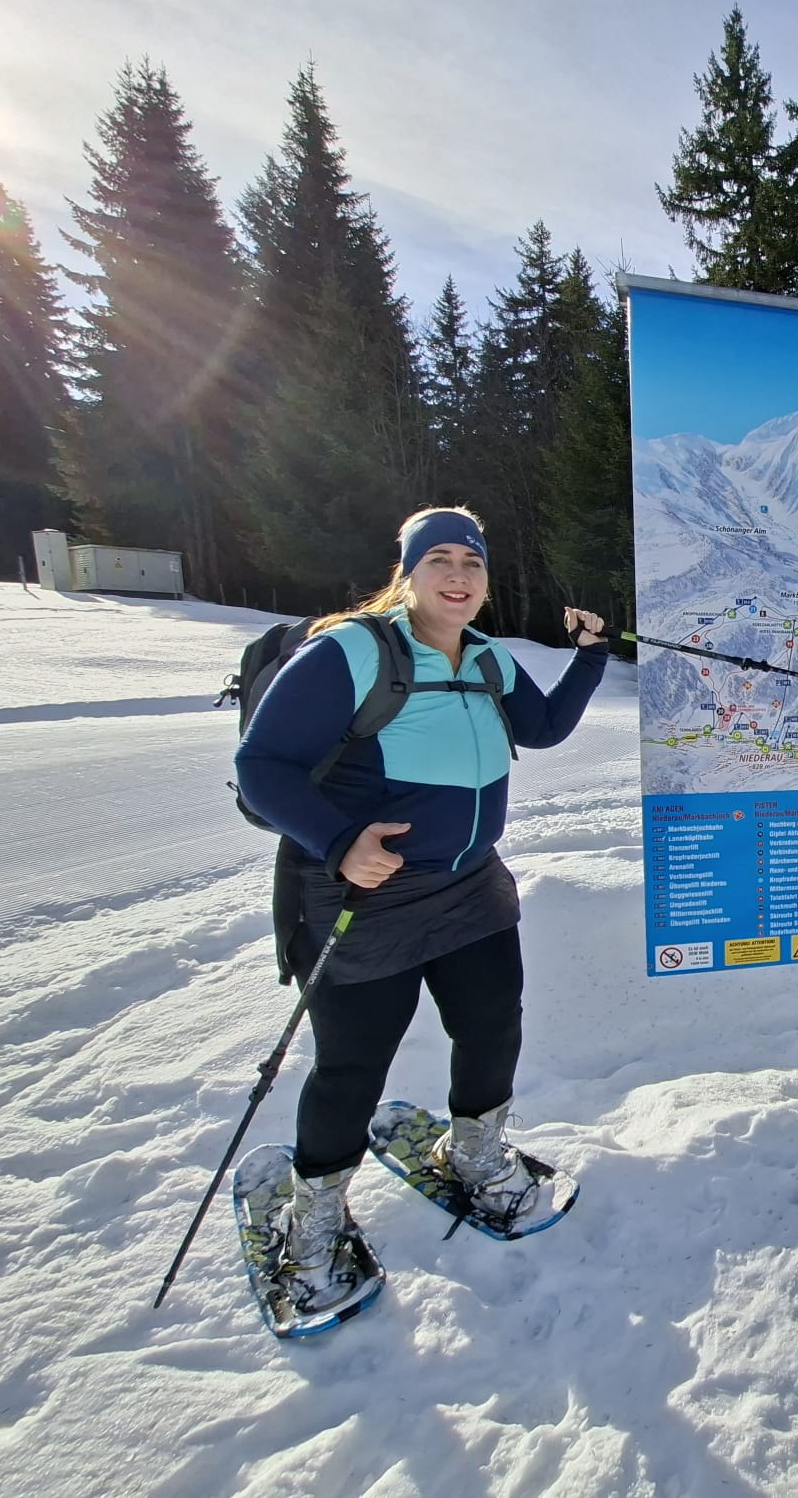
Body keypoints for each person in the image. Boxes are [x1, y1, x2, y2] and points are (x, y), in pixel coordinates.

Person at [234, 505, 611, 1312]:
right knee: (352, 1064)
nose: (458, 575)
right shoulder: (351, 653)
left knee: (491, 1022)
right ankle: (315, 1216)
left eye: (472, 563)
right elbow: (261, 764)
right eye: (439, 559)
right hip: (362, 896)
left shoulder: (484, 657)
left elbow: (540, 729)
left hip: (471, 886)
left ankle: (476, 1151)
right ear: (407, 573)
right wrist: (339, 843)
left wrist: (591, 656)